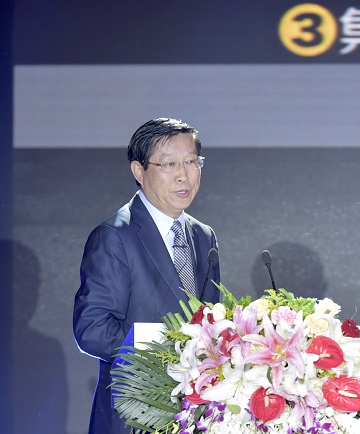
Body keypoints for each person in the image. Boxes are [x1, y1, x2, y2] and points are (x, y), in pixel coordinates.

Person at [73, 118, 220, 434]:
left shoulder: (204, 236)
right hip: (135, 416)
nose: (183, 175)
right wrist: (174, 350)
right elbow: (92, 329)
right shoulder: (115, 236)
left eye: (191, 162)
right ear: (139, 171)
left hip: (197, 417)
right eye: (169, 164)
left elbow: (209, 321)